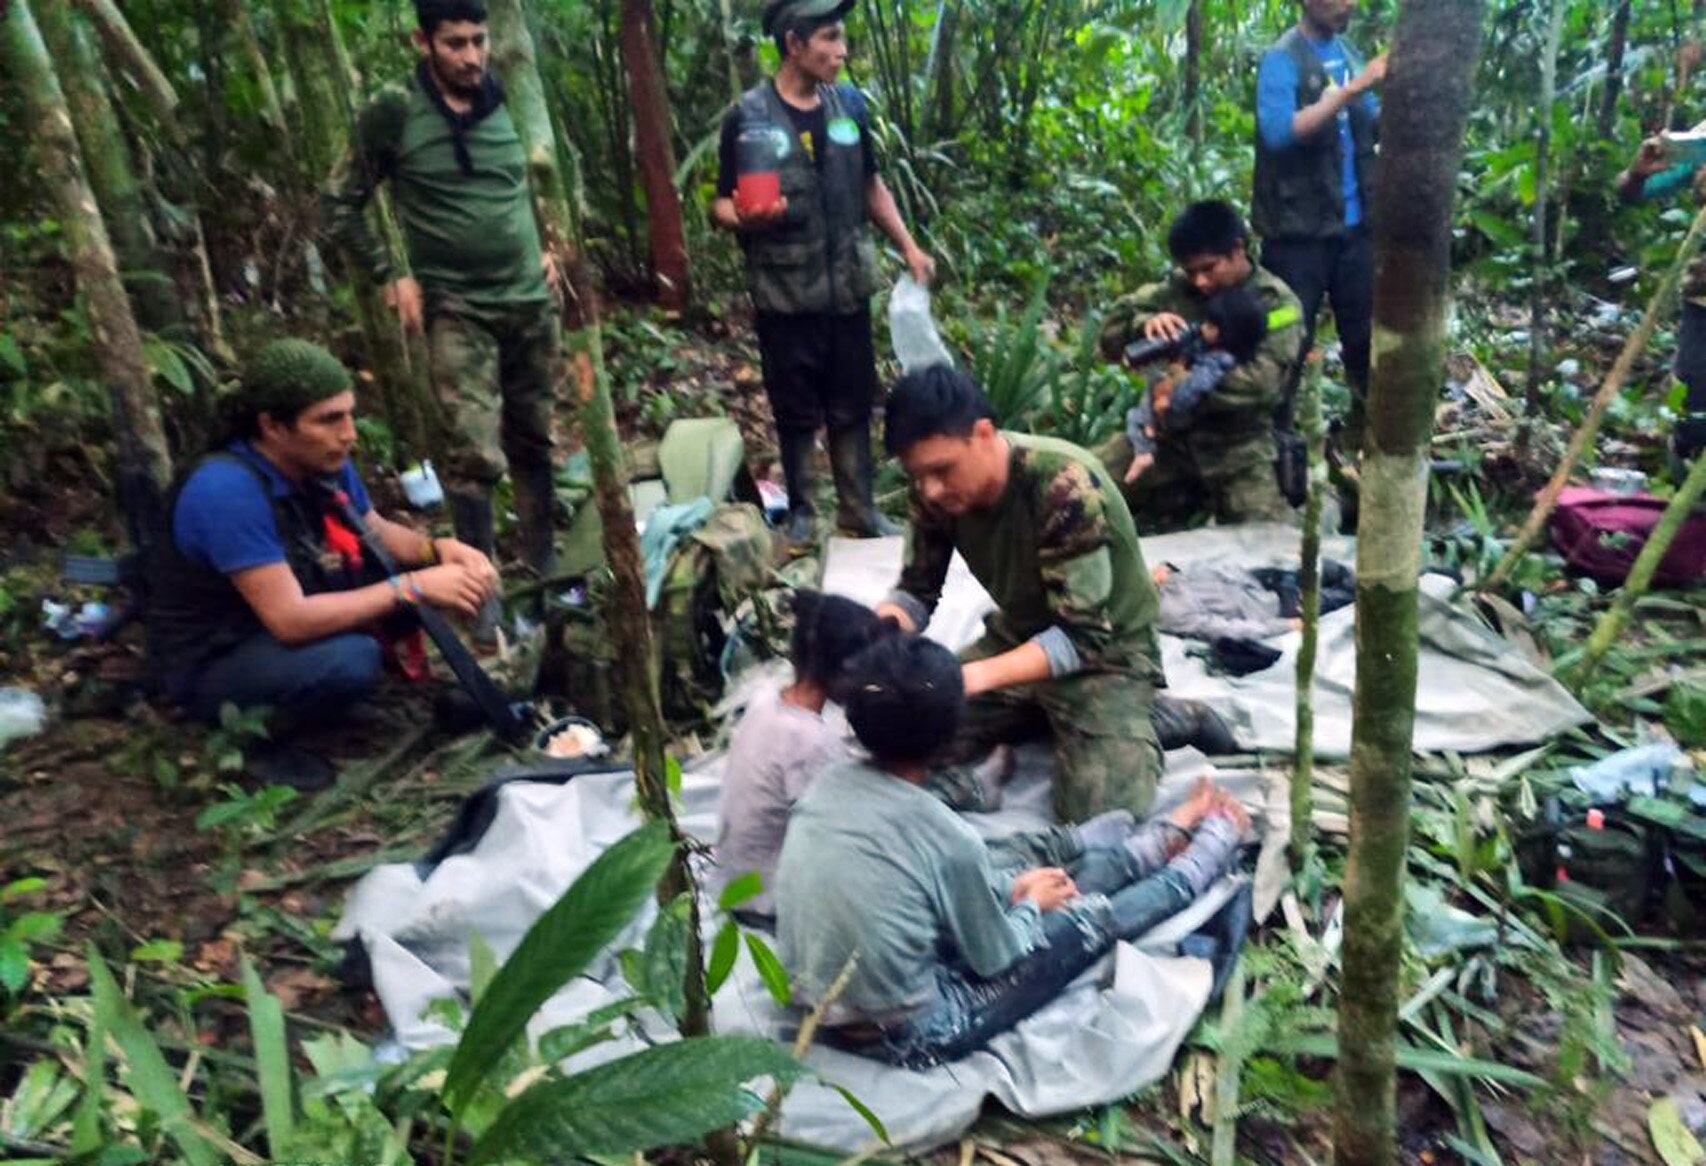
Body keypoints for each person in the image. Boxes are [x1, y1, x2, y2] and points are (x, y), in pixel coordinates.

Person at [775, 634, 1247, 1068]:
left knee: (1036, 878)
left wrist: (1014, 893)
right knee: (1086, 920)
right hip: (909, 1031)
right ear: (948, 735)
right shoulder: (946, 836)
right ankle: (1204, 851)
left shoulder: (824, 789)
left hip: (822, 1008)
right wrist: (1026, 909)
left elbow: (918, 884)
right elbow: (995, 959)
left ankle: (1155, 843)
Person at [875, 366, 1237, 824]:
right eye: (918, 475)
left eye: (941, 471)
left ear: (983, 434)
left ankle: (1163, 719)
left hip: (1106, 652)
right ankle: (1043, 717)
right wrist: (881, 629)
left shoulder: (1061, 484)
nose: (930, 489)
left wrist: (970, 678)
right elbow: (916, 589)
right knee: (900, 731)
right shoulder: (936, 490)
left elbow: (1081, 638)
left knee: (1103, 816)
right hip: (1020, 636)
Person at [146, 340, 499, 776]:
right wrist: (411, 588)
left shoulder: (321, 460)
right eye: (329, 420)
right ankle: (259, 733)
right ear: (272, 426)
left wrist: (437, 551)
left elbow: (373, 530)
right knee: (351, 660)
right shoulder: (226, 491)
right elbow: (289, 620)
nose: (348, 434)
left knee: (415, 577)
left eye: (350, 415)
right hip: (219, 655)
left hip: (284, 608)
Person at [322, 0, 560, 641]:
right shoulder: (394, 110)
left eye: (479, 41)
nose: (472, 56)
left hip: (530, 301)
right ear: (422, 41)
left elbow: (543, 176)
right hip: (456, 305)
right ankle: (480, 594)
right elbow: (339, 202)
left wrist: (551, 240)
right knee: (471, 455)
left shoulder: (511, 92)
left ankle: (545, 573)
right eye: (455, 43)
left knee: (536, 438)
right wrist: (389, 275)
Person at [710, 0, 935, 544]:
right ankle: (805, 513)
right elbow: (718, 204)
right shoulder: (749, 115)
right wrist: (743, 215)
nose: (842, 51)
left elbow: (869, 184)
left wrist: (908, 245)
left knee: (853, 402)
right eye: (830, 39)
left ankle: (858, 509)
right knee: (795, 408)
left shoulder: (849, 107)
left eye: (842, 39)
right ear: (794, 44)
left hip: (847, 289)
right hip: (785, 294)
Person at [1099, 201, 1305, 530]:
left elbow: (1260, 384)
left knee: (1271, 547)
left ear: (1238, 250)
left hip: (1238, 447)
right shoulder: (1178, 288)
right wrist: (1145, 323)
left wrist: (1178, 383)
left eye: (1209, 269)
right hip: (1167, 440)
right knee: (1082, 487)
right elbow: (1109, 337)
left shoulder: (1275, 302)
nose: (1200, 282)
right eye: (1191, 271)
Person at [1252, 0, 1384, 447]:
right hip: (1297, 236)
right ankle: (1277, 450)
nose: (1350, 4)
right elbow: (1278, 132)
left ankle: (1363, 444)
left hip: (1354, 230)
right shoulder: (1282, 59)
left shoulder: (1348, 54)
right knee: (1287, 342)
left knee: (1364, 341)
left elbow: (1374, 121)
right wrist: (1347, 93)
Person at [1120, 286, 1270, 494]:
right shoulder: (1208, 347)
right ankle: (1147, 437)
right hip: (1178, 417)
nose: (1203, 327)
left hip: (1179, 415)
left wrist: (1168, 398)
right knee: (1151, 391)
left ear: (1222, 332)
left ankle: (1144, 452)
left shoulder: (1217, 362)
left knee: (1135, 417)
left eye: (1210, 324)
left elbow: (1193, 390)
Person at [1618, 133, 1706, 466]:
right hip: (1703, 300)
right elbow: (1633, 192)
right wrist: (1639, 172)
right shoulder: (1702, 144)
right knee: (1695, 412)